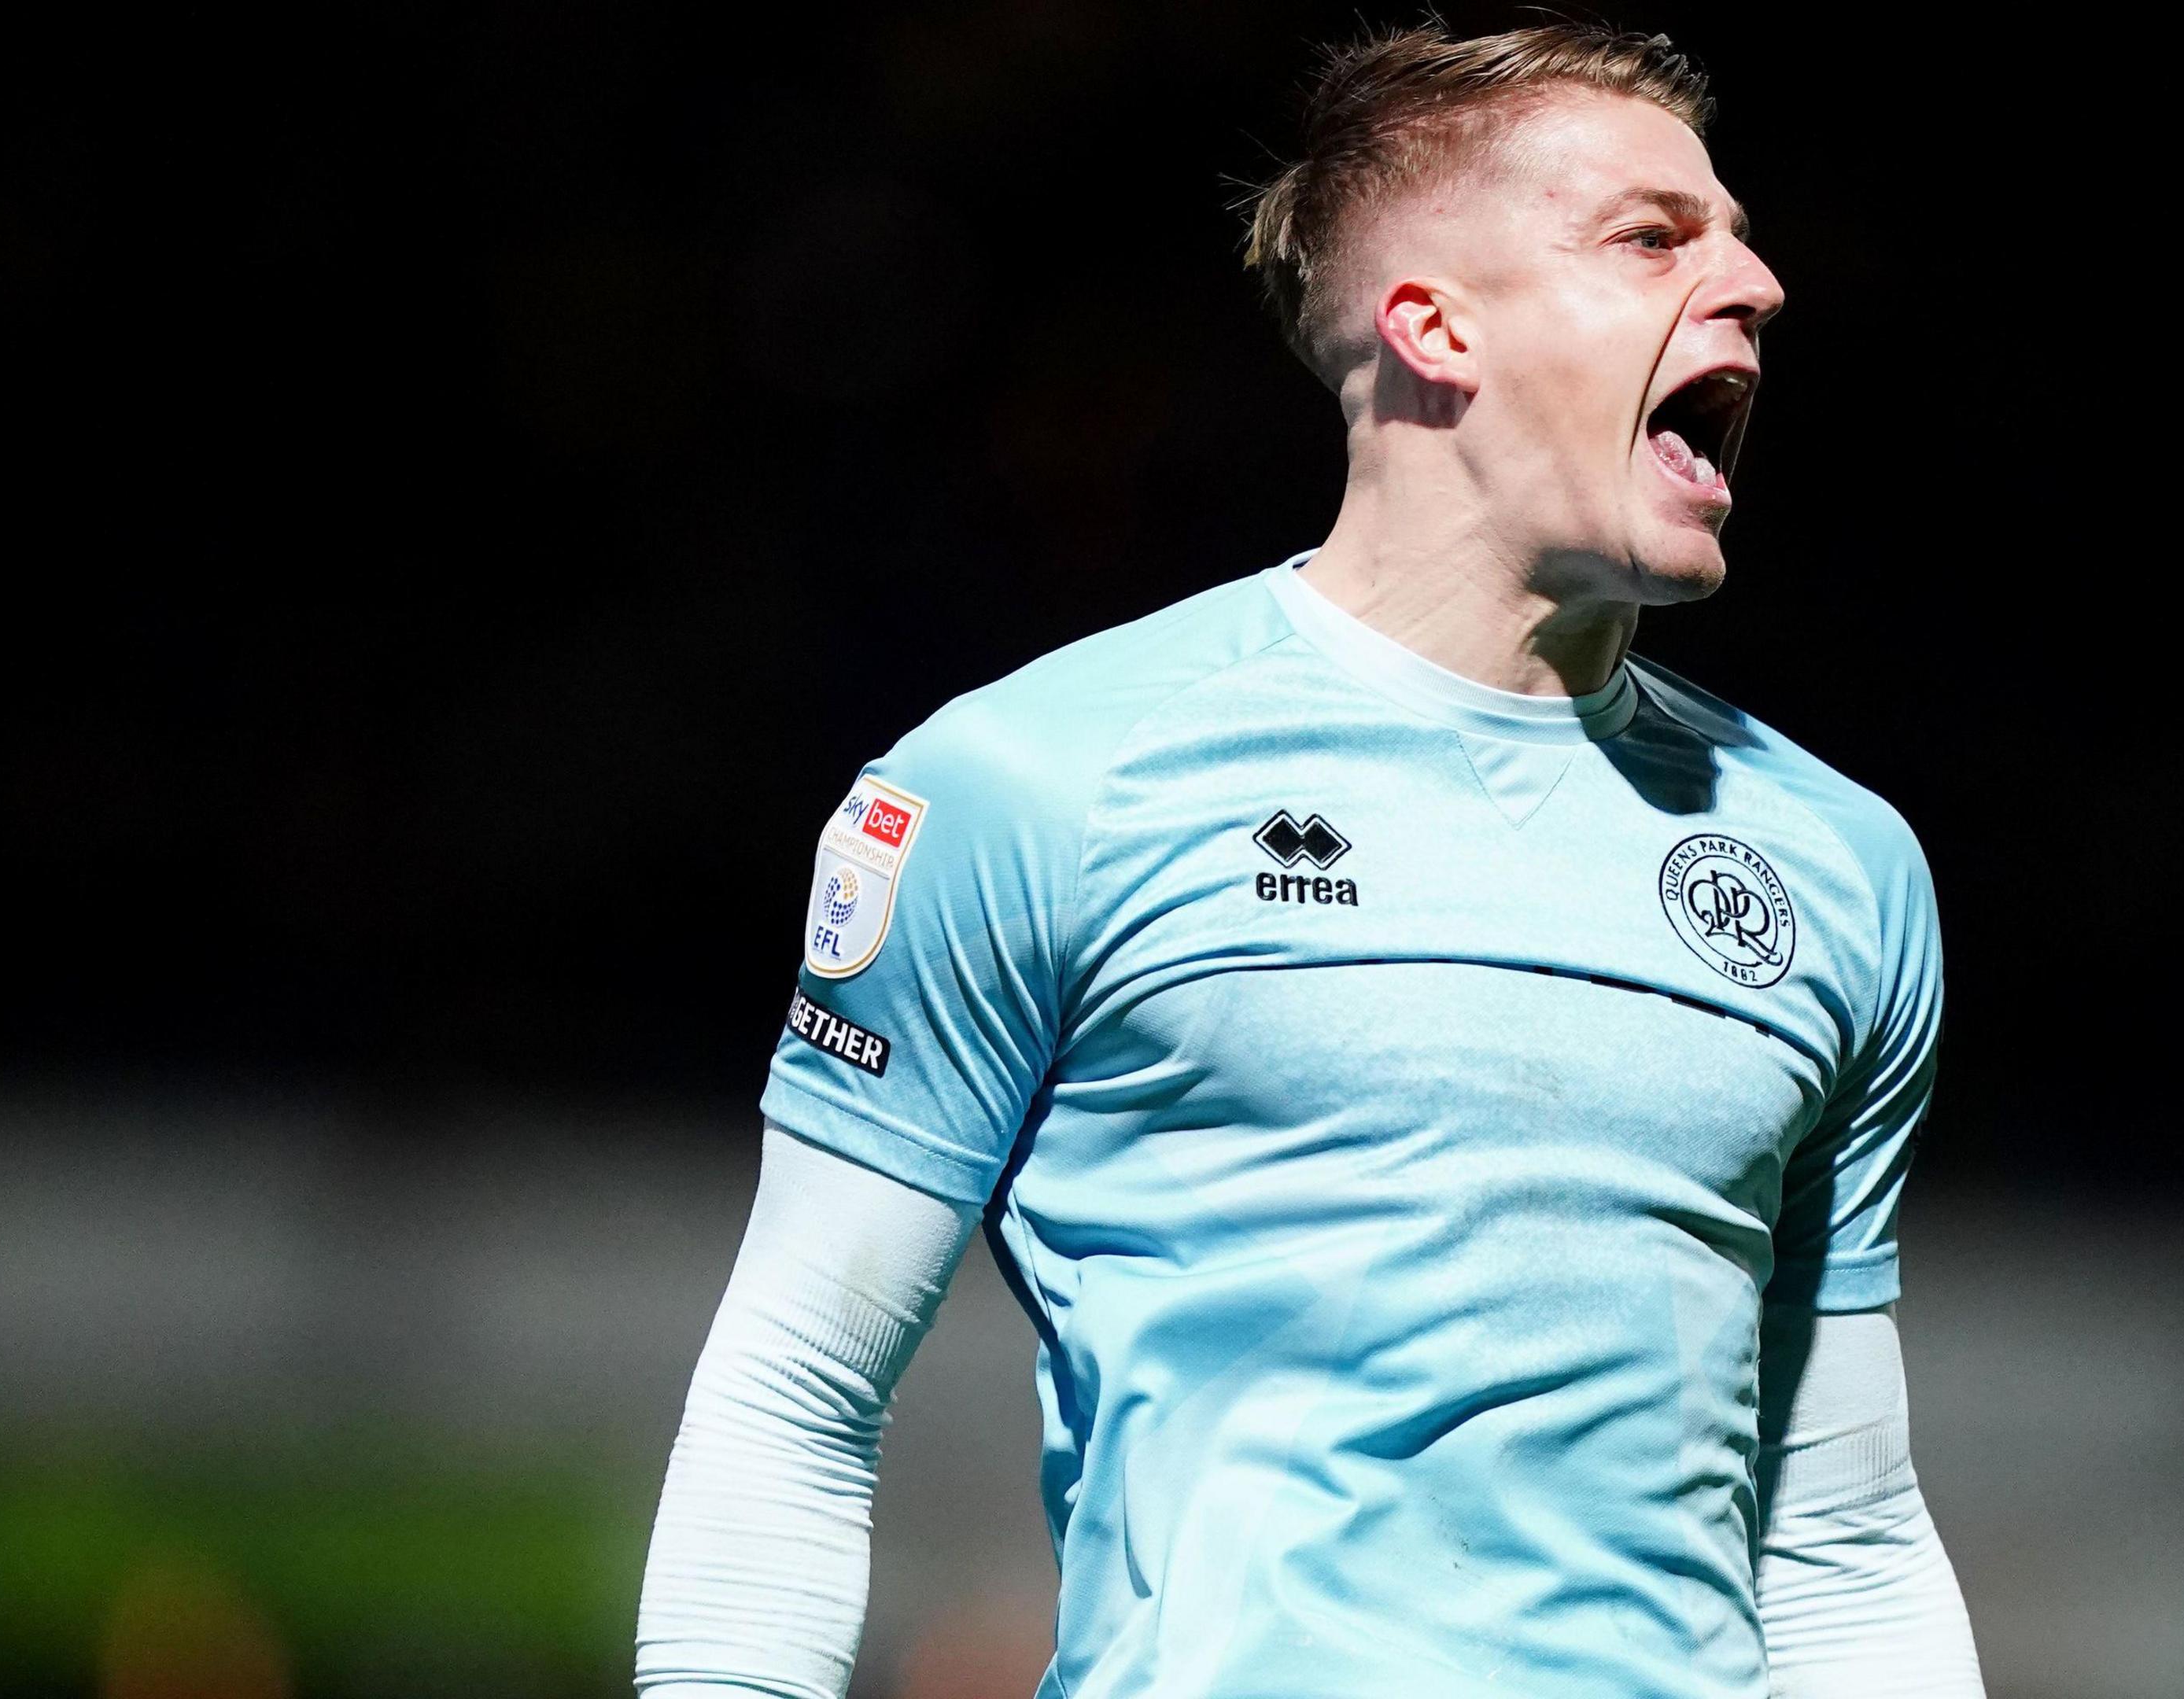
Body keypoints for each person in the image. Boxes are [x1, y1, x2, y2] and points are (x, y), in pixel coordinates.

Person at [637, 23, 1985, 1699]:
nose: (1756, 281)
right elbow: (798, 1388)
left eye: (1735, 232)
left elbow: (1841, 1528)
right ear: (1436, 325)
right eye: (1654, 236)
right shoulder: (1037, 783)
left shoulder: (1836, 865)